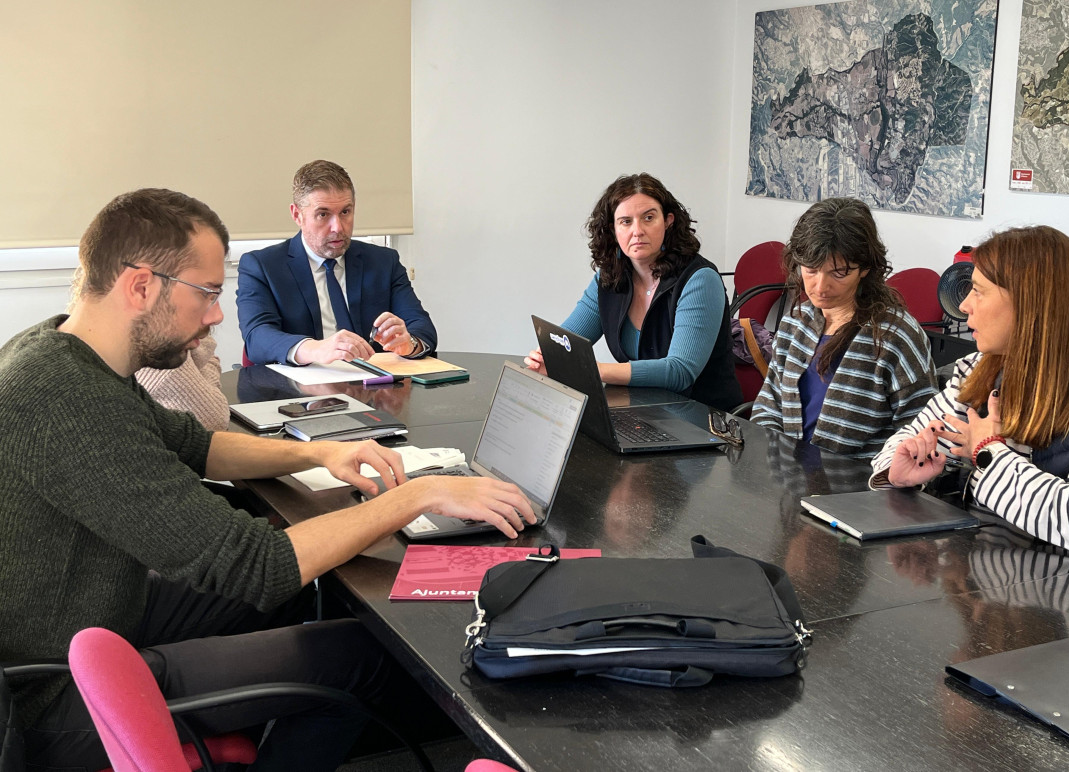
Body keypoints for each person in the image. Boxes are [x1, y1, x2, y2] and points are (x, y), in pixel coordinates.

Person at [0, 188, 534, 771]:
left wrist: (322, 452)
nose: (216, 315)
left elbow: (198, 446)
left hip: (96, 617)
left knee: (308, 590)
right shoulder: (67, 401)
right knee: (361, 656)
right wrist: (420, 493)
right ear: (141, 286)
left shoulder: (62, 352)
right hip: (58, 693)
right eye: (207, 293)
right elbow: (256, 565)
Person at [872, 225, 1069, 584]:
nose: (963, 306)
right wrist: (897, 472)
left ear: (1029, 304)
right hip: (1012, 581)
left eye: (978, 291)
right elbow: (910, 437)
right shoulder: (984, 368)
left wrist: (988, 452)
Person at [524, 174, 741, 411]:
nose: (637, 231)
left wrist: (592, 369)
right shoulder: (610, 277)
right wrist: (548, 356)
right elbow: (566, 342)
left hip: (702, 418)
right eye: (625, 221)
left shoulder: (700, 279)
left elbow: (680, 371)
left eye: (649, 218)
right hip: (643, 410)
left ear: (668, 221)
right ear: (613, 229)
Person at [750, 198, 937, 458]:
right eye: (811, 270)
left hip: (861, 481)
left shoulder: (895, 335)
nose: (820, 287)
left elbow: (921, 432)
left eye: (839, 273)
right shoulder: (795, 323)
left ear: (865, 268)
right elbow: (769, 405)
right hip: (788, 477)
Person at [237, 159, 436, 366]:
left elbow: (422, 326)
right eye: (323, 214)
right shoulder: (262, 266)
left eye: (345, 212)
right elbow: (257, 338)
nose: (338, 227)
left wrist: (409, 343)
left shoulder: (384, 262)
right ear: (297, 215)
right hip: (301, 383)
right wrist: (315, 349)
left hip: (374, 382)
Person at [135, 333, 230, 430]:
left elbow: (210, 356)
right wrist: (207, 380)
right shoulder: (163, 353)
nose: (217, 321)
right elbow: (215, 420)